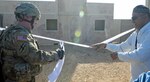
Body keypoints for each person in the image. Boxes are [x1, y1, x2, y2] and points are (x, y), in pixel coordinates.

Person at [0, 2, 64, 82]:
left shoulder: (9, 31)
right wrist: (56, 54)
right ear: (28, 17)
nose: (36, 22)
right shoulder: (20, 35)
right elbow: (35, 57)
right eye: (36, 18)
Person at [91, 5, 150, 82]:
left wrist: (118, 55)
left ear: (145, 17)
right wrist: (105, 45)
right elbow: (122, 47)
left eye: (134, 18)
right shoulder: (135, 34)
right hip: (135, 79)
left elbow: (140, 55)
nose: (132, 21)